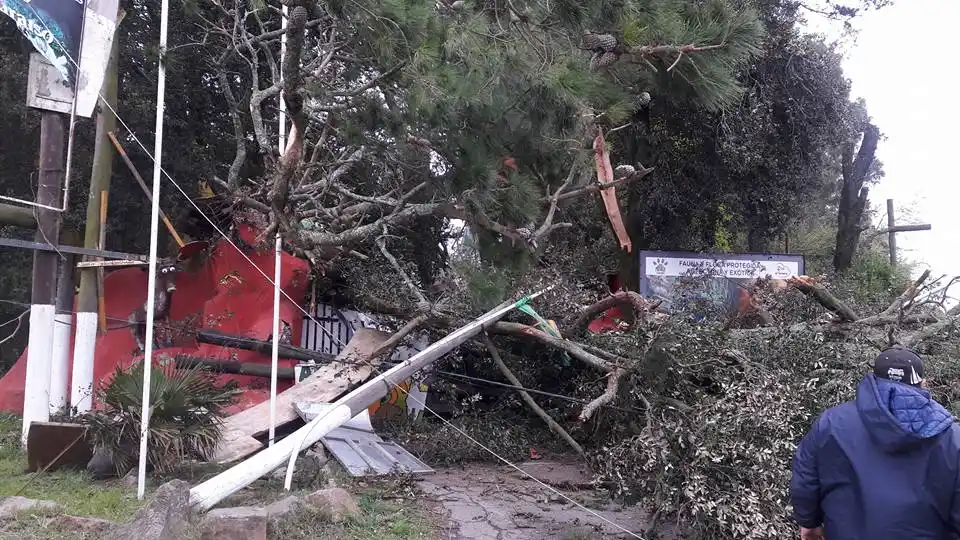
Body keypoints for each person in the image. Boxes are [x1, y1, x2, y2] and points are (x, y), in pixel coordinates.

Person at [790, 345, 960, 540]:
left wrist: (809, 522)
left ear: (873, 378)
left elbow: (806, 477)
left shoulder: (831, 423)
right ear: (922, 383)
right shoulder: (951, 436)